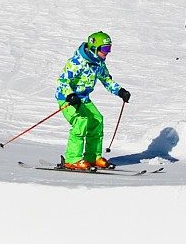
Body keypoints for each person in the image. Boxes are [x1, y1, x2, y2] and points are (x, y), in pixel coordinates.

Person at [54, 31, 130, 170]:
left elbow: (106, 79)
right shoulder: (77, 62)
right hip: (67, 99)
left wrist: (120, 91)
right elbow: (62, 81)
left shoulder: (98, 63)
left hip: (83, 98)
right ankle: (72, 159)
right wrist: (70, 95)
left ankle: (92, 157)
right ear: (95, 47)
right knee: (81, 121)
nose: (108, 52)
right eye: (105, 49)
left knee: (97, 120)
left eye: (109, 49)